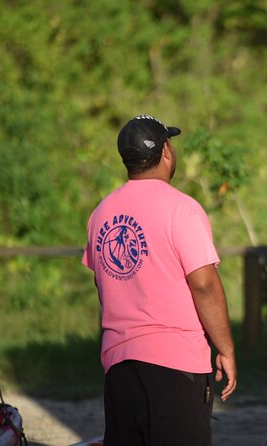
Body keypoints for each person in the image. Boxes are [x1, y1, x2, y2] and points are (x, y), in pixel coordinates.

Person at [82, 114, 237, 445]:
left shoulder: (101, 213)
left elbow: (103, 286)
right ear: (166, 152)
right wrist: (225, 347)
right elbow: (204, 284)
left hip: (119, 365)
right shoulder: (182, 209)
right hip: (174, 362)